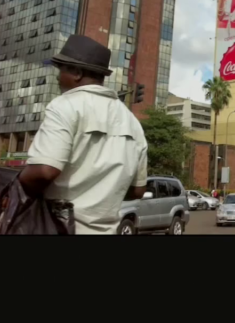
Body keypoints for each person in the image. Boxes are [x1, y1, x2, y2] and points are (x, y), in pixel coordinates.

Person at [18, 35, 148, 235]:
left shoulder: (65, 105)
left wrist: (16, 187)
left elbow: (44, 172)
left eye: (61, 69)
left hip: (58, 228)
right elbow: (138, 190)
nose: (58, 76)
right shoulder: (132, 122)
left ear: (77, 72)